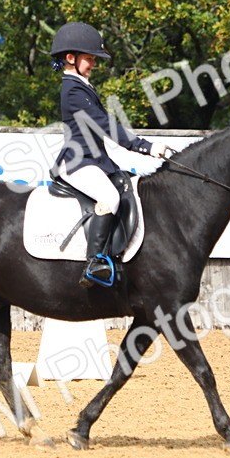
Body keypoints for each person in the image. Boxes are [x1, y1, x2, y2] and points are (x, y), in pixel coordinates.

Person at [50, 22, 173, 287]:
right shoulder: (72, 89)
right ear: (71, 58)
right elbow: (103, 124)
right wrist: (144, 146)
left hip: (94, 160)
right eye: (90, 59)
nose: (93, 64)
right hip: (78, 162)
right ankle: (94, 262)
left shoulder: (82, 86)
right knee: (109, 197)